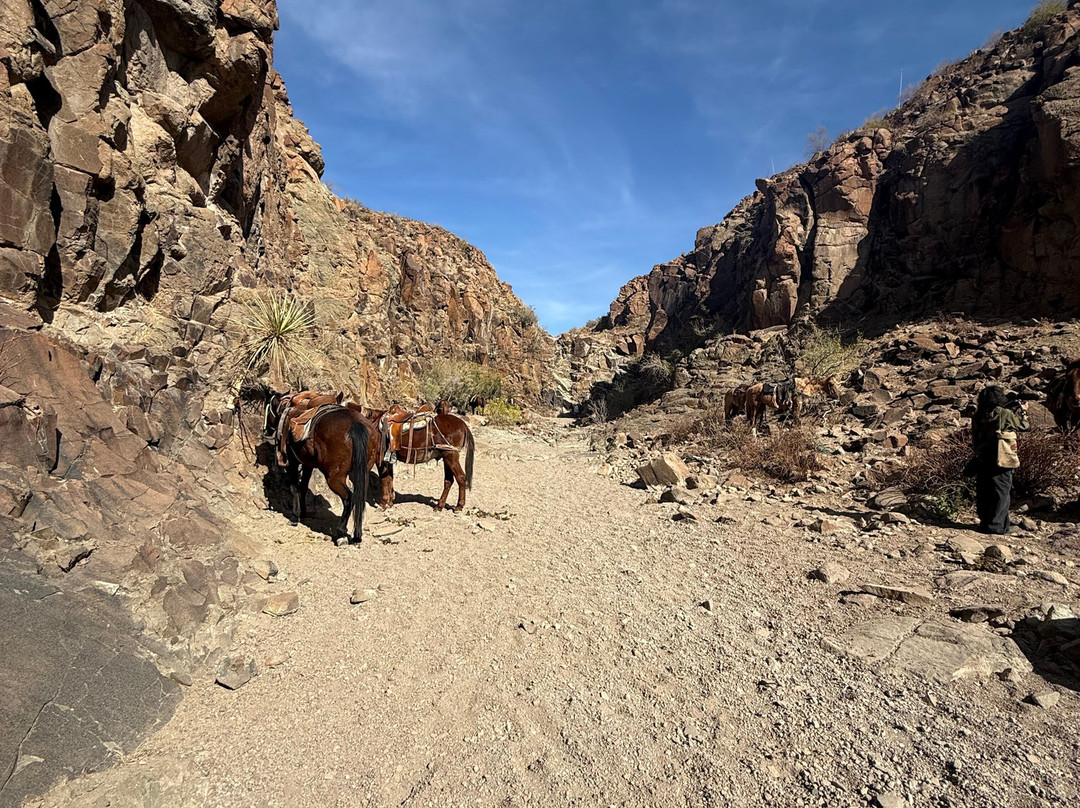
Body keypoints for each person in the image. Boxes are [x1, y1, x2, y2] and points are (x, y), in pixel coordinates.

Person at [970, 385, 1029, 535]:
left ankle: (986, 522)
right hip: (1001, 458)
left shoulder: (978, 415)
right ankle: (997, 526)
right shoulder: (1004, 413)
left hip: (983, 457)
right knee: (1001, 492)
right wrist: (1023, 411)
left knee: (984, 490)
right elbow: (1024, 426)